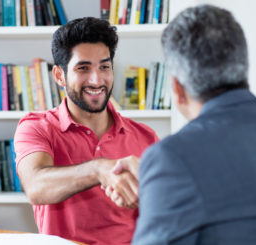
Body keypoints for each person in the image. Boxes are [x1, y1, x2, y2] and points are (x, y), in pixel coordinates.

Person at [111, 4, 256, 244]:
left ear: (177, 88)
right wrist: (154, 185)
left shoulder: (171, 159)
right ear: (242, 71)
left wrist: (159, 179)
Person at [13, 17, 158, 244]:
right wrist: (99, 169)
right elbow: (34, 186)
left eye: (104, 67)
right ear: (60, 76)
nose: (96, 80)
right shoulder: (36, 127)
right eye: (83, 68)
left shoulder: (146, 137)